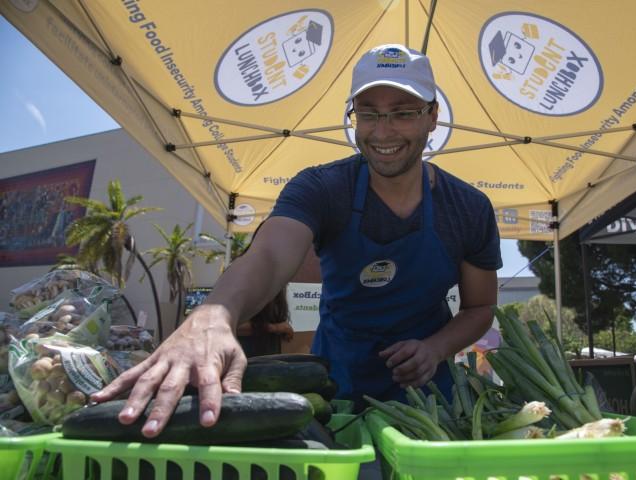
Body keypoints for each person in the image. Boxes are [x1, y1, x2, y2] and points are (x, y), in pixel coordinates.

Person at [92, 44, 502, 438]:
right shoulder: (322, 188)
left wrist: (434, 348)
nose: (383, 131)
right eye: (368, 113)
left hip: (428, 395)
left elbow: (480, 306)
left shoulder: (469, 208)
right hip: (333, 382)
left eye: (403, 113)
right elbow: (269, 255)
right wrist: (214, 315)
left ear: (433, 116)